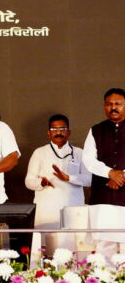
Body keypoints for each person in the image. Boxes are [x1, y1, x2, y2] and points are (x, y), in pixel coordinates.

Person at [25, 114, 91, 254]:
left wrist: (69, 178)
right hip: (46, 211)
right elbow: (28, 181)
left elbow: (89, 180)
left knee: (73, 250)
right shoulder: (39, 153)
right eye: (54, 129)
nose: (58, 132)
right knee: (44, 250)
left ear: (69, 132)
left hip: (72, 209)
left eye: (62, 128)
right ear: (48, 133)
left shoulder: (79, 153)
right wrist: (41, 182)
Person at [82, 88, 125, 258]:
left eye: (118, 104)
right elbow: (88, 159)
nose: (113, 107)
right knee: (104, 245)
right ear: (104, 106)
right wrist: (110, 173)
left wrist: (121, 176)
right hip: (103, 197)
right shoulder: (96, 130)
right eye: (109, 104)